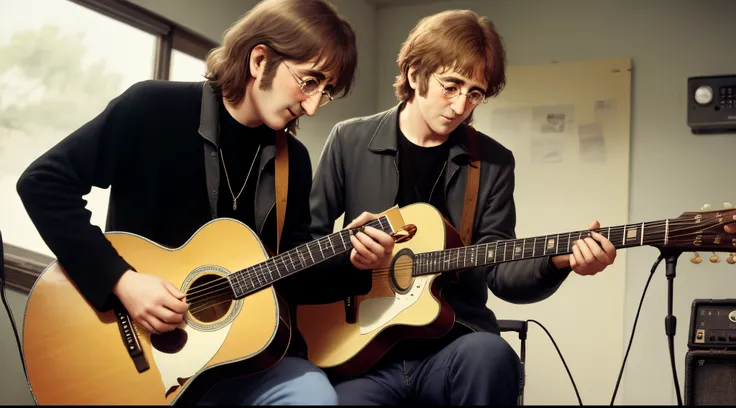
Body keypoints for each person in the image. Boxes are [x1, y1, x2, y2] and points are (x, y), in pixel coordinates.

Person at [16, 0, 382, 405]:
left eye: (326, 92)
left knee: (314, 396)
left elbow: (288, 271)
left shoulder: (291, 160)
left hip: (244, 360)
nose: (312, 106)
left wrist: (351, 260)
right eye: (309, 81)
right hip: (144, 354)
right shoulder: (152, 108)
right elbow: (43, 183)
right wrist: (123, 281)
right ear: (260, 59)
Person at [309, 9, 618, 406]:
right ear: (416, 72)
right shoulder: (348, 140)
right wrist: (350, 256)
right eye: (451, 85)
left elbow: (499, 269)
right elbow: (308, 241)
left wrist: (557, 262)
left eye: (475, 93)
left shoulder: (492, 162)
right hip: (363, 351)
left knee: (492, 355)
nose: (460, 106)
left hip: (452, 345)